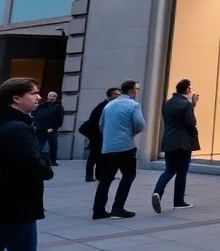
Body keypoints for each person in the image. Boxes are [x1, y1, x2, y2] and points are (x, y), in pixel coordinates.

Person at [0, 78, 54, 250]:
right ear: (16, 98)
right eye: (33, 93)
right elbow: (35, 166)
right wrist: (46, 162)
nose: (39, 98)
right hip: (16, 206)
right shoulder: (18, 129)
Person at [93, 80, 144, 220]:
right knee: (128, 175)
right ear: (132, 90)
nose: (137, 92)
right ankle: (118, 207)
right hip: (125, 146)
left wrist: (109, 137)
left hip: (108, 147)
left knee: (106, 178)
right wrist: (130, 133)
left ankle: (98, 210)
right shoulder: (134, 105)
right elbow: (139, 124)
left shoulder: (109, 105)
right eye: (137, 89)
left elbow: (101, 124)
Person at [152, 78, 199, 213]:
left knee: (169, 170)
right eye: (190, 88)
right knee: (182, 172)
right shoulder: (186, 104)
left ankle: (157, 192)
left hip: (168, 140)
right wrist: (192, 105)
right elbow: (191, 122)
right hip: (183, 142)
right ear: (187, 89)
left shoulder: (167, 103)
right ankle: (178, 202)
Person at [78, 88, 120, 183]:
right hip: (97, 135)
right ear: (109, 96)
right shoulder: (104, 106)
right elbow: (98, 122)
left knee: (101, 156)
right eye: (116, 94)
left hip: (102, 135)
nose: (119, 96)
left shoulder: (109, 105)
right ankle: (89, 176)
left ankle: (99, 175)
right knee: (94, 156)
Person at [32, 91, 64, 167]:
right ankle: (37, 160)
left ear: (56, 97)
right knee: (39, 145)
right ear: (47, 96)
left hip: (51, 129)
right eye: (50, 95)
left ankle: (53, 161)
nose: (52, 97)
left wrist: (54, 128)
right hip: (40, 129)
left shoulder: (58, 107)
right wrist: (36, 125)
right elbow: (36, 115)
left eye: (54, 96)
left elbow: (60, 119)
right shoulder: (42, 106)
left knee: (53, 145)